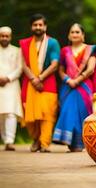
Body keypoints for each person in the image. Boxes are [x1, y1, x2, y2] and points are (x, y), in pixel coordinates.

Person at [52, 23, 96, 152]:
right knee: (68, 111)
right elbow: (61, 70)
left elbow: (90, 69)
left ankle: (83, 143)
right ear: (69, 35)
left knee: (83, 114)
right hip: (68, 87)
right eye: (72, 32)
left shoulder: (90, 49)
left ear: (83, 35)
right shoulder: (65, 51)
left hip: (84, 87)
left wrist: (77, 80)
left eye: (77, 32)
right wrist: (68, 80)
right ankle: (71, 143)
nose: (74, 34)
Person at [19, 14, 60, 152]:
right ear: (31, 27)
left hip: (47, 84)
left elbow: (55, 64)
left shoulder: (52, 43)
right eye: (35, 25)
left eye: (40, 25)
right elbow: (23, 64)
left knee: (47, 114)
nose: (38, 27)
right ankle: (35, 139)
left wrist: (40, 78)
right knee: (29, 115)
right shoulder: (24, 43)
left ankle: (45, 143)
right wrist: (33, 79)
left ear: (45, 26)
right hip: (29, 83)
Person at [0, 26, 23, 151]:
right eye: (2, 35)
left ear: (10, 37)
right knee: (1, 114)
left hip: (11, 85)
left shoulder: (17, 51)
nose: (4, 38)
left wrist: (7, 78)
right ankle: (5, 140)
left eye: (6, 36)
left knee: (11, 113)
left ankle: (9, 141)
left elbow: (20, 69)